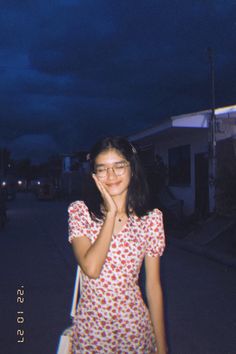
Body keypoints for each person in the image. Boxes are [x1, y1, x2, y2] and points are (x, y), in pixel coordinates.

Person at [68, 136, 168, 353]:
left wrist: (162, 347)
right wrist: (111, 213)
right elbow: (91, 268)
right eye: (102, 169)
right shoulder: (80, 213)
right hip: (91, 331)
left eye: (119, 166)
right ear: (94, 174)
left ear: (132, 169)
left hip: (134, 329)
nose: (111, 176)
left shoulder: (151, 219)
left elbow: (153, 287)